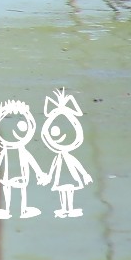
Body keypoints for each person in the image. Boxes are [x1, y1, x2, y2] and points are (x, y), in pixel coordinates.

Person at [0, 99, 46, 219]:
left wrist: (39, 173)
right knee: (8, 191)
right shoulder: (5, 151)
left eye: (21, 127)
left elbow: (31, 160)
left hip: (21, 175)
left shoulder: (22, 151)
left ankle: (23, 208)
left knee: (22, 191)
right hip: (8, 176)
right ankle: (7, 209)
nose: (14, 132)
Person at [38, 89, 91, 218]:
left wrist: (85, 175)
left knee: (69, 191)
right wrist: (49, 177)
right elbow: (54, 167)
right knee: (63, 191)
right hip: (61, 176)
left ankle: (69, 208)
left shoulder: (67, 156)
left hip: (69, 175)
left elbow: (76, 164)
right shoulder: (59, 157)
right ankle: (64, 209)